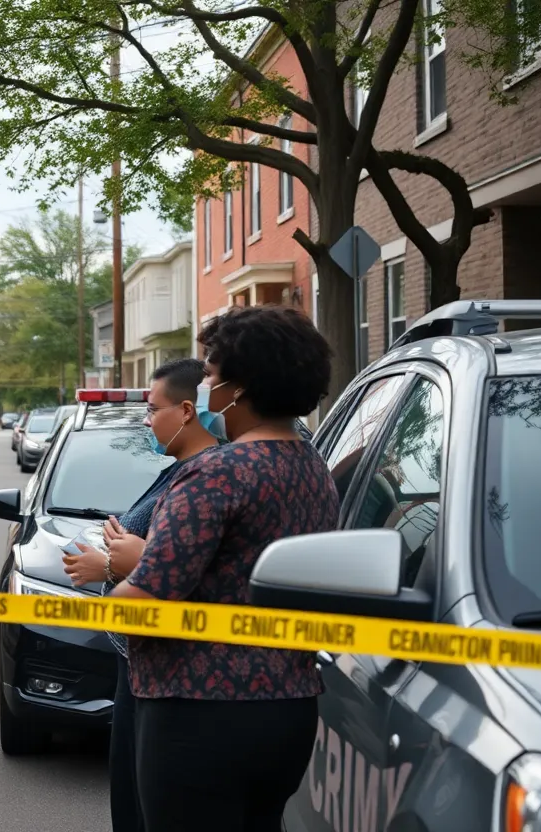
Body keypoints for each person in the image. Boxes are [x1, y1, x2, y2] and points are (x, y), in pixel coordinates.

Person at [113, 305, 339, 832]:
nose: (208, 386)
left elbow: (142, 606)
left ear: (240, 387)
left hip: (199, 717)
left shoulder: (217, 472)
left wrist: (121, 572)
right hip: (288, 709)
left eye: (212, 375)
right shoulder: (314, 467)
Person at [62, 358, 219, 832]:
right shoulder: (179, 469)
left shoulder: (208, 476)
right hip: (136, 659)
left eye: (152, 410)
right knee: (130, 792)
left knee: (148, 804)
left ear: (188, 410)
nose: (147, 421)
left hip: (167, 665)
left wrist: (110, 563)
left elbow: (188, 570)